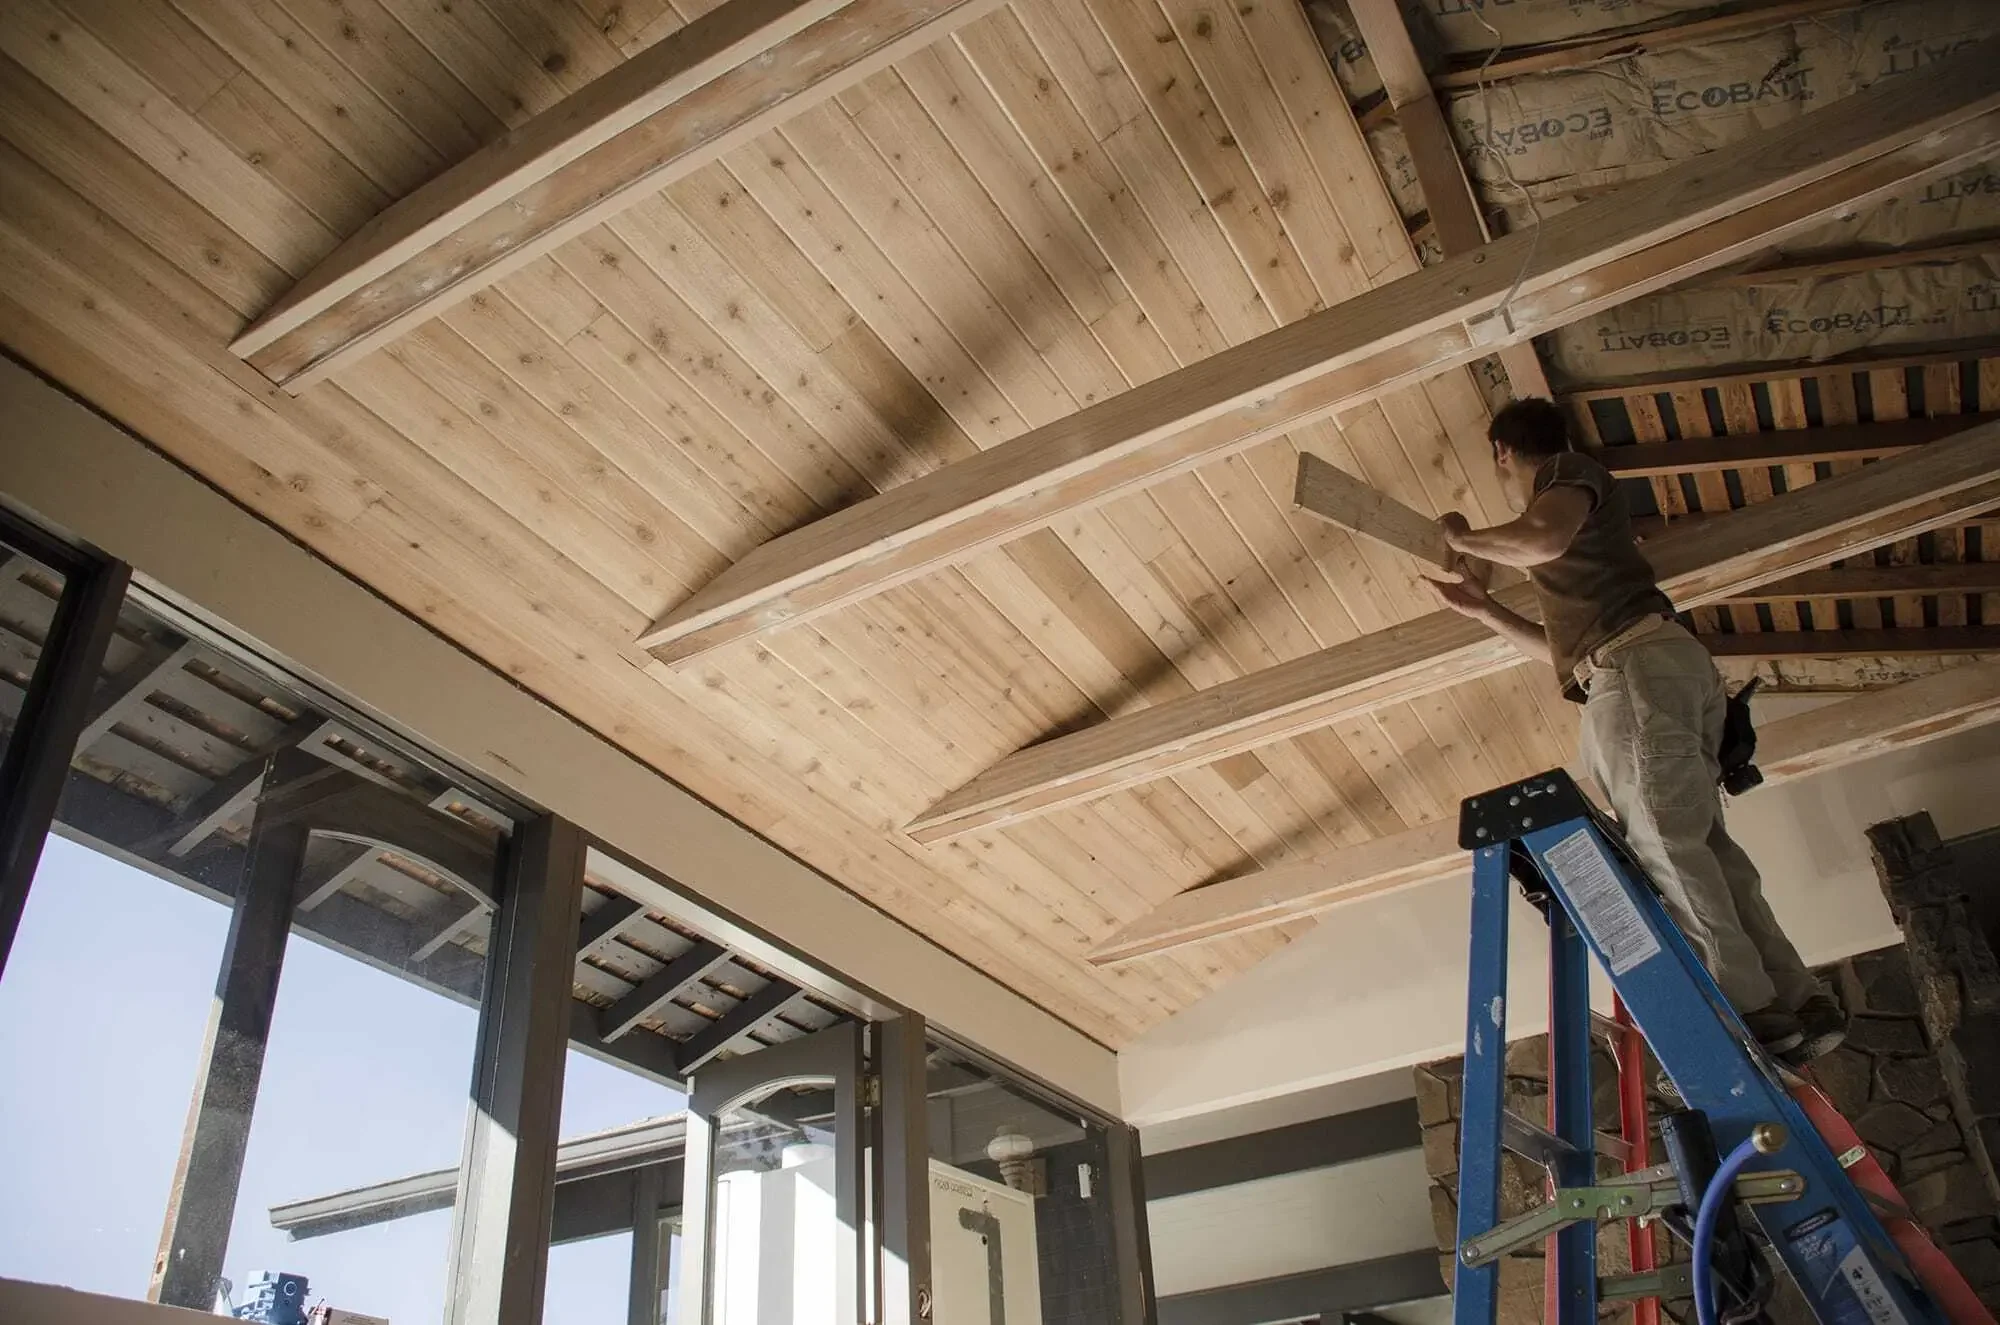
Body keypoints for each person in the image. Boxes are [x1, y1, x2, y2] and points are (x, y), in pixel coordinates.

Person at [1427, 396, 1845, 1063]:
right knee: (1699, 841)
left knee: (1665, 840)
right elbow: (1561, 648)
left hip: (1638, 669)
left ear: (1504, 452)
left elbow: (1540, 538)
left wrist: (1463, 539)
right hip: (1645, 664)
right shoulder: (1579, 532)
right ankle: (1797, 1000)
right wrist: (1484, 610)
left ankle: (1752, 1008)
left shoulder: (1566, 473)